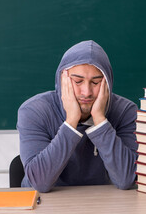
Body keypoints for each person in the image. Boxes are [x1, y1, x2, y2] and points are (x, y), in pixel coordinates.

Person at [17, 40, 138, 193]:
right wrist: (71, 121)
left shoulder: (126, 112)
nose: (86, 92)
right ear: (63, 79)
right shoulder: (33, 111)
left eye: (96, 82)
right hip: (44, 204)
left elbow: (126, 179)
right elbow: (40, 183)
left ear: (108, 83)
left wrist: (100, 120)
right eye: (78, 81)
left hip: (103, 203)